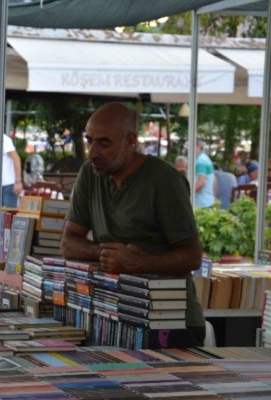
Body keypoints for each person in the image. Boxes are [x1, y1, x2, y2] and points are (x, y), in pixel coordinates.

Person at [60, 102, 205, 348]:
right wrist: (110, 254)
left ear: (131, 141)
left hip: (169, 321)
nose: (93, 151)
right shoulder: (90, 174)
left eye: (104, 143)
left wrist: (139, 263)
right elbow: (68, 243)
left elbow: (192, 256)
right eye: (89, 141)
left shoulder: (165, 180)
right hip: (113, 315)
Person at [2, 133, 23, 208]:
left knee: (8, 215)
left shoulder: (3, 139)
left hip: (8, 185)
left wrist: (18, 181)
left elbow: (16, 158)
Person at [195, 140, 215, 208]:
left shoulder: (200, 161)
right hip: (208, 200)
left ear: (199, 147)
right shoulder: (205, 158)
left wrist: (186, 193)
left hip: (201, 203)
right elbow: (214, 180)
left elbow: (201, 183)